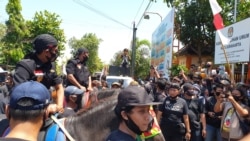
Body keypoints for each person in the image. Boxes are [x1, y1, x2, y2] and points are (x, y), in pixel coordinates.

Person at [13, 34, 64, 113]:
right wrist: (43, 108)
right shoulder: (25, 65)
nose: (56, 53)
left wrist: (59, 106)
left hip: (47, 108)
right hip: (27, 111)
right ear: (46, 51)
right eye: (55, 51)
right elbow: (20, 94)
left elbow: (59, 87)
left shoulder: (51, 65)